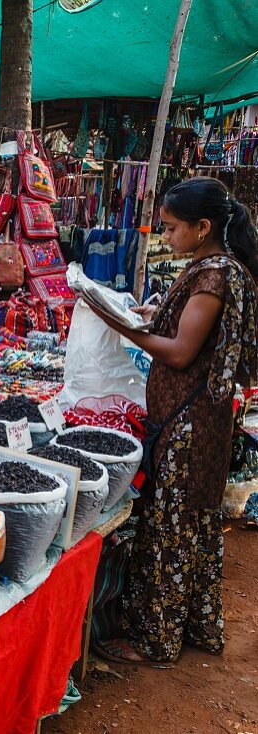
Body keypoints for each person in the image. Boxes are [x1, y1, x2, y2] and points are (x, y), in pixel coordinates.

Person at [88, 177, 258, 667]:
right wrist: (145, 314)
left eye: (171, 228)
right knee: (191, 527)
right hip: (196, 420)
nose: (165, 238)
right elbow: (188, 331)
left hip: (191, 424)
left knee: (170, 530)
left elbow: (182, 353)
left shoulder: (215, 276)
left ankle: (155, 641)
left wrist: (126, 328)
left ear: (203, 227)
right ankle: (196, 627)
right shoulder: (212, 268)